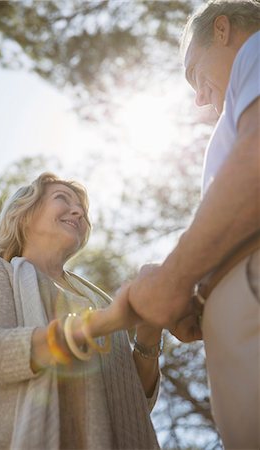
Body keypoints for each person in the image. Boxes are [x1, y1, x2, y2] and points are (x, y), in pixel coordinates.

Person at [119, 1, 260, 448]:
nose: (199, 97)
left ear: (222, 30)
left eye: (195, 73)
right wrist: (198, 294)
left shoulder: (254, 50)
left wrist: (173, 281)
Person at [0, 172, 162, 450]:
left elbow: (134, 403)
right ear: (24, 214)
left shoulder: (100, 300)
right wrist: (98, 325)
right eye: (62, 198)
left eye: (82, 208)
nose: (79, 211)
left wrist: (149, 333)